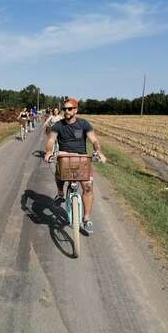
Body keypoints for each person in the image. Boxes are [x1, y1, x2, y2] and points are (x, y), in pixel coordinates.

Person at [44, 98, 106, 234]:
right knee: (59, 169)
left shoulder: (84, 124)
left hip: (81, 157)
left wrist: (98, 151)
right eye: (64, 109)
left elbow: (94, 140)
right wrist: (49, 151)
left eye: (69, 109)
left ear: (76, 110)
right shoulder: (58, 125)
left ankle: (87, 219)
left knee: (88, 186)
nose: (66, 111)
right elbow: (51, 140)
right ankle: (60, 193)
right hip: (64, 155)